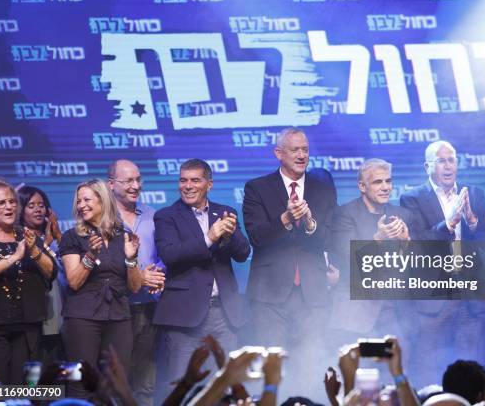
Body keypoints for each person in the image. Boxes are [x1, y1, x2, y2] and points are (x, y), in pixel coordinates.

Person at [242, 127, 337, 396]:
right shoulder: (257, 188)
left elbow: (328, 238)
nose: (301, 155)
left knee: (310, 368)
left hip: (313, 295)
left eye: (305, 149)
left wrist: (310, 224)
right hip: (270, 297)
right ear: (278, 153)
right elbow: (256, 237)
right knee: (272, 370)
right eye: (295, 150)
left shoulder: (323, 190)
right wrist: (284, 219)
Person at [153, 159, 250, 400]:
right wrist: (209, 237)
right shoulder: (166, 216)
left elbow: (243, 253)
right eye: (183, 180)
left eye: (195, 180)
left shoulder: (225, 212)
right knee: (180, 386)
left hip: (224, 316)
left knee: (227, 383)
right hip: (184, 320)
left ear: (209, 184)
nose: (188, 186)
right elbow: (171, 255)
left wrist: (230, 233)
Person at [399, 140, 485, 386]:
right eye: (442, 161)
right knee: (429, 362)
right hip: (434, 295)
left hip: (471, 293)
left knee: (473, 364)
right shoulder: (412, 198)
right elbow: (417, 243)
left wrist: (473, 222)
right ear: (427, 166)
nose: (449, 166)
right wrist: (449, 224)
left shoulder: (474, 194)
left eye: (452, 160)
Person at [59, 179, 144, 398]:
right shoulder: (72, 236)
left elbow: (135, 286)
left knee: (117, 381)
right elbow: (74, 281)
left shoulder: (122, 236)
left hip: (119, 317)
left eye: (87, 199)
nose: (81, 206)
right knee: (81, 382)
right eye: (78, 201)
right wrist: (89, 257)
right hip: (82, 318)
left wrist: (131, 259)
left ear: (103, 201)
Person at [328, 158, 417, 343]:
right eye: (378, 182)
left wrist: (405, 243)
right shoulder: (344, 214)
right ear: (362, 186)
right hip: (357, 316)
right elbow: (349, 260)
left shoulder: (404, 215)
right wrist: (378, 238)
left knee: (396, 369)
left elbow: (415, 268)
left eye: (388, 181)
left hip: (396, 315)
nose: (385, 187)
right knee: (360, 371)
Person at [107, 160, 165, 406]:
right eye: (128, 180)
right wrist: (138, 277)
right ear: (111, 185)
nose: (135, 185)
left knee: (147, 381)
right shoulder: (102, 219)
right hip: (115, 309)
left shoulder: (154, 216)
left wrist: (159, 275)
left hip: (150, 307)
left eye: (138, 179)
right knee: (117, 379)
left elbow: (163, 256)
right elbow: (101, 265)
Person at [0, 178, 56, 384]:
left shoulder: (26, 235)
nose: (9, 206)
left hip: (28, 326)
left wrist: (35, 251)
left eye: (12, 202)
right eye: (2, 203)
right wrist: (13, 258)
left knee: (25, 387)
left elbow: (51, 272)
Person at [18, 185, 66, 365]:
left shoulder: (55, 237)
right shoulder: (18, 238)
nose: (38, 209)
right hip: (35, 314)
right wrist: (45, 242)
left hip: (61, 310)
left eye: (41, 205)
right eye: (31, 205)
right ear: (20, 210)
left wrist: (57, 235)